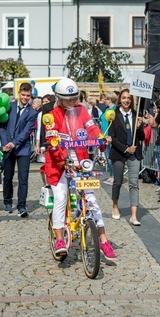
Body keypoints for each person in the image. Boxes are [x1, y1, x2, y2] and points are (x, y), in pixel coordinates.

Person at [44, 77, 116, 259]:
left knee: (92, 200)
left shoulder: (82, 110)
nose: (71, 101)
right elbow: (51, 139)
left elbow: (91, 128)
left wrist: (101, 138)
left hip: (81, 162)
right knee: (60, 197)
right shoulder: (52, 116)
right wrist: (58, 150)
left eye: (74, 98)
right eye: (67, 99)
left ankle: (103, 241)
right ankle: (60, 239)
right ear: (58, 98)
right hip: (59, 164)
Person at [0, 82, 38, 217]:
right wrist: (4, 143)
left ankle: (22, 205)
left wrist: (14, 143)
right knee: (8, 176)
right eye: (23, 95)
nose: (26, 97)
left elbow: (26, 132)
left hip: (23, 149)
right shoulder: (9, 107)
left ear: (31, 95)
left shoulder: (32, 112)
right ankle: (7, 201)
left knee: (23, 178)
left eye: (28, 95)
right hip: (7, 147)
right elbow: (2, 126)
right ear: (19, 93)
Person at [109, 89, 144, 225]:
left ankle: (134, 215)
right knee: (118, 181)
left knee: (134, 184)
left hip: (134, 153)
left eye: (128, 98)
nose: (126, 100)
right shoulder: (113, 115)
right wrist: (125, 148)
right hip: (119, 153)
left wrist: (140, 127)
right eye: (124, 98)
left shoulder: (136, 115)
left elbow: (141, 137)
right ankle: (115, 206)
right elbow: (112, 137)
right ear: (120, 100)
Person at [100, 94, 118, 185]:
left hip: (110, 136)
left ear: (110, 100)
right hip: (104, 136)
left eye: (106, 99)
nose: (104, 101)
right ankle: (111, 175)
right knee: (108, 157)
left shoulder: (114, 110)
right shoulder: (107, 109)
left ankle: (114, 176)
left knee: (111, 157)